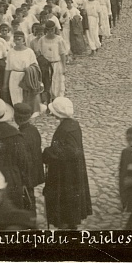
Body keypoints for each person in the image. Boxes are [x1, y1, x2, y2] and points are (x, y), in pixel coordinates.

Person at [43, 97, 92, 229]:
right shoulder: (73, 125)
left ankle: (66, 227)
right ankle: (71, 224)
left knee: (65, 201)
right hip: (73, 172)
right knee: (70, 202)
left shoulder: (65, 129)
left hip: (65, 174)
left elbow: (70, 151)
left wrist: (49, 152)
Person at [13, 103, 44, 214]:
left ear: (16, 118)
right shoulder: (33, 130)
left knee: (27, 201)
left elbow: (22, 160)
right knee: (30, 198)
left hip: (26, 175)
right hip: (34, 172)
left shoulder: (20, 135)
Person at [37, 21, 67, 102]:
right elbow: (38, 52)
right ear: (46, 30)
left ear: (55, 29)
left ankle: (57, 102)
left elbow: (62, 54)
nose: (50, 32)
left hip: (56, 64)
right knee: (47, 83)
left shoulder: (59, 39)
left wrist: (64, 67)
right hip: (45, 66)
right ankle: (48, 102)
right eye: (48, 30)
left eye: (52, 30)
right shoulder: (42, 40)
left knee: (57, 83)